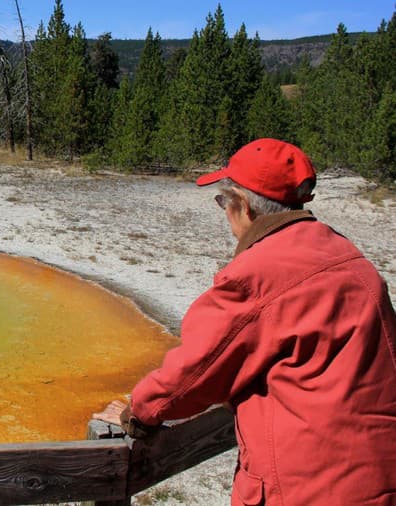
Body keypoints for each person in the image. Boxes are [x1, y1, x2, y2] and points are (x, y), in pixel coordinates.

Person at [93, 138, 396, 506]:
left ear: (244, 205)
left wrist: (137, 414)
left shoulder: (257, 276)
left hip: (306, 489)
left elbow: (192, 372)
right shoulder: (350, 258)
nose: (225, 213)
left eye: (224, 202)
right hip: (379, 477)